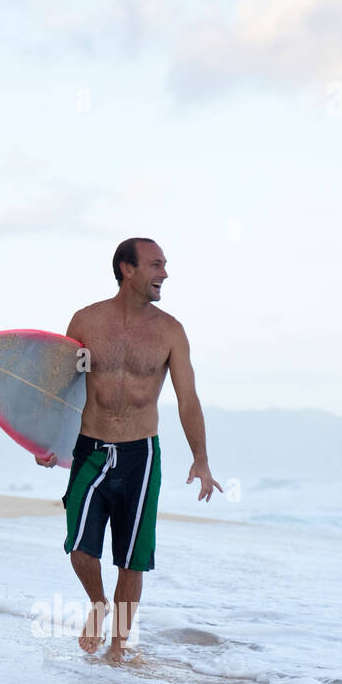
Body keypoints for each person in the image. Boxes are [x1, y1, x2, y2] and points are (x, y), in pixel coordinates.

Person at [35, 237, 222, 661]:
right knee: (79, 545)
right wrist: (49, 440)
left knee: (132, 558)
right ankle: (98, 604)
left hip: (141, 454)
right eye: (156, 265)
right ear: (127, 269)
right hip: (91, 447)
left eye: (165, 265)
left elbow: (188, 397)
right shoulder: (86, 321)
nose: (165, 274)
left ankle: (118, 649)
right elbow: (64, 385)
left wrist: (201, 457)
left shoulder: (170, 330)